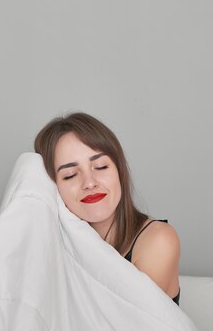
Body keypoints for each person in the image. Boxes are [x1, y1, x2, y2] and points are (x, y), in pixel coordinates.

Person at [34, 112, 180, 304]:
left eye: (101, 166)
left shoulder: (158, 240)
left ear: (119, 170)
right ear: (51, 186)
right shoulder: (50, 249)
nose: (89, 183)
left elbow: (126, 329)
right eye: (70, 175)